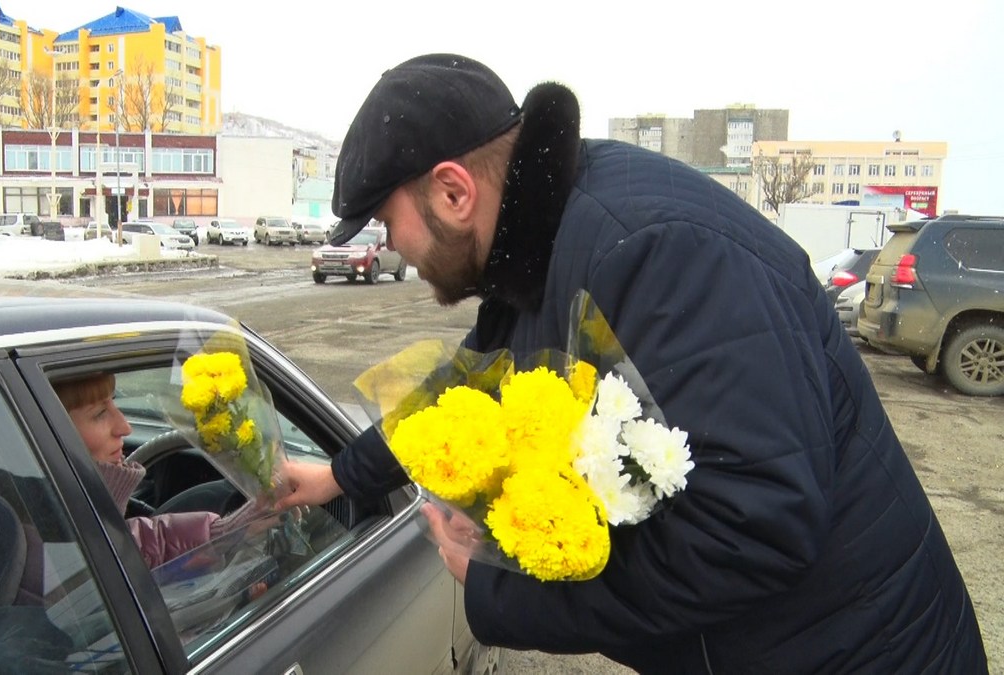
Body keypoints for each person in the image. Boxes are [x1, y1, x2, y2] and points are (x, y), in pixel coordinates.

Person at [275, 54, 987, 672]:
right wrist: (338, 474)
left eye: (384, 221)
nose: (391, 245)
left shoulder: (651, 248)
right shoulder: (542, 244)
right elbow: (466, 387)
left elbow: (753, 527)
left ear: (454, 192)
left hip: (857, 654)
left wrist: (504, 592)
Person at [54, 372, 253, 569]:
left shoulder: (60, 523)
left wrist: (229, 530)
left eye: (114, 402)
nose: (124, 427)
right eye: (99, 413)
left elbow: (135, 545)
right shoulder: (41, 543)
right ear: (51, 432)